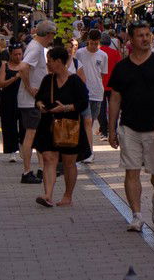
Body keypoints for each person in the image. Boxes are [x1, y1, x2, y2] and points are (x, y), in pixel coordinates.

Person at [107, 21, 154, 231]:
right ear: (131, 39)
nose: (145, 39)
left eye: (148, 35)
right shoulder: (122, 68)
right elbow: (115, 99)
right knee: (131, 171)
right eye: (140, 35)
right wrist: (111, 129)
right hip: (129, 127)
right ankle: (136, 215)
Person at [32, 46, 92, 207]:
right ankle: (48, 195)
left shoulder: (75, 81)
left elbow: (83, 103)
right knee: (48, 158)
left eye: (50, 61)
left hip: (69, 127)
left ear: (59, 61)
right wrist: (40, 105)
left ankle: (67, 195)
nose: (48, 64)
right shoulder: (48, 80)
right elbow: (38, 98)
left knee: (68, 162)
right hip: (49, 125)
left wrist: (65, 108)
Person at [16, 22, 53, 185]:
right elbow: (23, 67)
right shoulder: (36, 48)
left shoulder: (35, 46)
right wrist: (30, 87)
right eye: (52, 36)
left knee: (37, 133)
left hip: (33, 100)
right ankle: (26, 171)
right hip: (30, 101)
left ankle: (41, 168)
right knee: (30, 134)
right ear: (48, 34)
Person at [73, 31, 108, 162]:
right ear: (88, 40)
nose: (93, 46)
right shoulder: (80, 53)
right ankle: (88, 152)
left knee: (91, 122)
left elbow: (102, 74)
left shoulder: (103, 55)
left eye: (96, 43)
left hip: (97, 93)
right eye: (91, 43)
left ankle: (85, 150)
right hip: (83, 93)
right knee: (86, 123)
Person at [0, 43, 25, 161]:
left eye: (20, 54)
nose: (18, 57)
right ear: (10, 54)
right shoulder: (5, 66)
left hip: (23, 99)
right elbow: (1, 83)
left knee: (24, 125)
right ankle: (12, 151)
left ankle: (23, 146)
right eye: (15, 54)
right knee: (9, 125)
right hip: (8, 98)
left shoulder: (25, 65)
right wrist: (15, 78)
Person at [97, 29, 123, 141]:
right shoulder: (115, 53)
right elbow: (120, 68)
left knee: (101, 109)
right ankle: (113, 129)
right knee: (114, 108)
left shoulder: (98, 53)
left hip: (100, 84)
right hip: (113, 85)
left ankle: (104, 131)